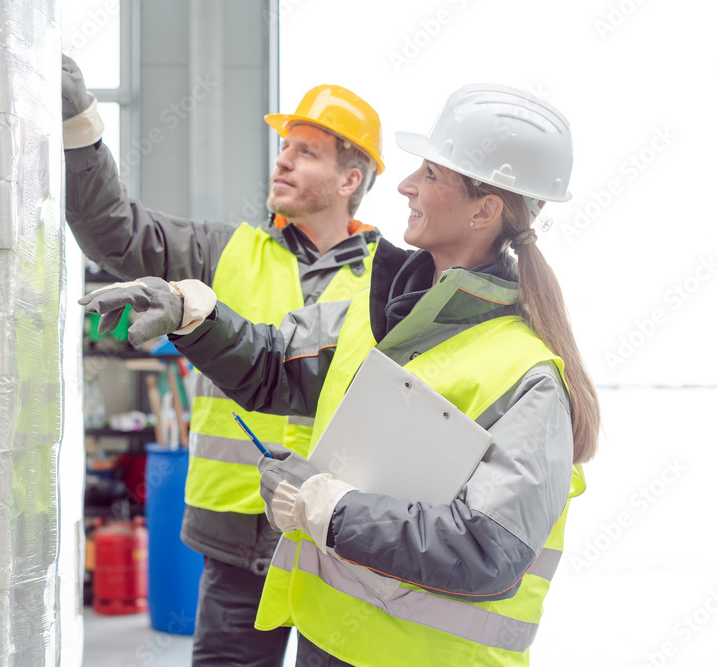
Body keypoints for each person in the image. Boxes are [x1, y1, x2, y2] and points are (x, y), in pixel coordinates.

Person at [81, 84, 601, 666]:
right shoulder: (376, 316)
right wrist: (192, 315)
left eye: (429, 174)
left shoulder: (527, 375)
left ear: (484, 210)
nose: (405, 186)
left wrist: (330, 508)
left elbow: (489, 546)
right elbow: (271, 364)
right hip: (327, 639)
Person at [62, 55, 398, 666]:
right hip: (238, 540)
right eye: (284, 146)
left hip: (343, 540)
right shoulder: (224, 252)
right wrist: (81, 130)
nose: (283, 159)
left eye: (306, 151)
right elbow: (113, 231)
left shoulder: (393, 281)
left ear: (350, 179)